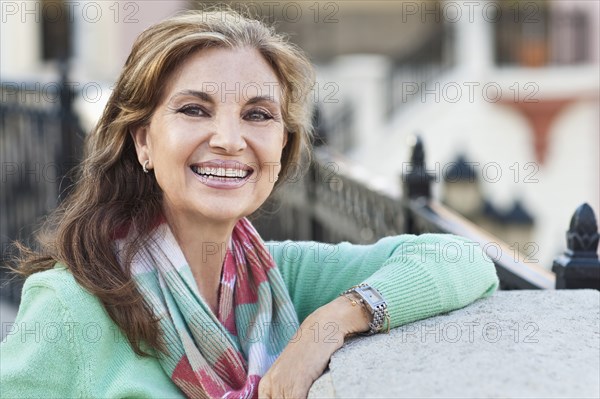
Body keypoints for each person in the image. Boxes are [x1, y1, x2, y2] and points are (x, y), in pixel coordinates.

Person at [0, 9, 499, 399]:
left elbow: (461, 259)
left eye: (257, 114)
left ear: (282, 146)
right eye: (195, 109)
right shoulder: (71, 304)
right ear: (142, 141)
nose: (230, 140)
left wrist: (324, 328)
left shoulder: (281, 280)